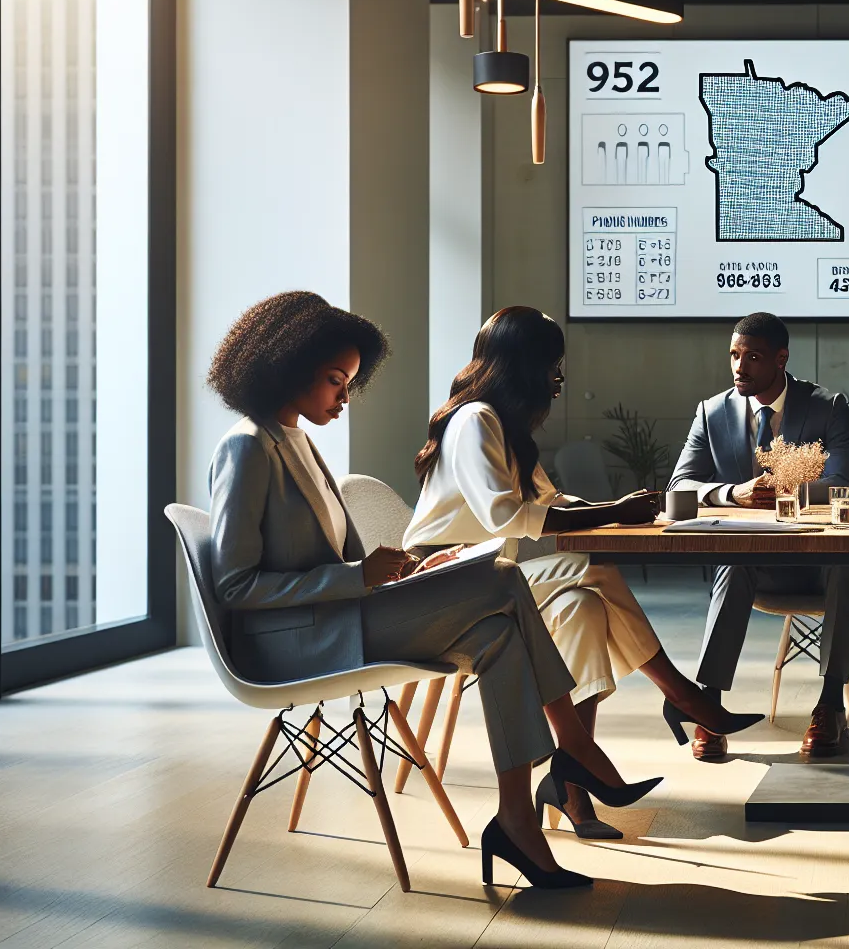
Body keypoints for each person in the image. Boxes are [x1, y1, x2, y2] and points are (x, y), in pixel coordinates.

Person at [204, 292, 612, 889]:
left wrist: (405, 573)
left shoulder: (298, 440)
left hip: (338, 617)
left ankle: (518, 819)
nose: (346, 397)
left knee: (498, 632)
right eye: (335, 380)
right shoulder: (246, 447)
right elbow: (235, 587)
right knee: (502, 576)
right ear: (285, 365)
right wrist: (357, 577)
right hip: (292, 644)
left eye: (350, 382)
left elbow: (327, 558)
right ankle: (572, 746)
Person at [404, 306, 762, 831]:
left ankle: (572, 783)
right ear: (524, 366)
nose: (559, 380)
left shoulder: (502, 425)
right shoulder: (475, 420)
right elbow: (504, 515)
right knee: (584, 563)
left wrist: (628, 506)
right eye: (553, 366)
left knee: (583, 607)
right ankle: (680, 695)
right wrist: (614, 514)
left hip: (489, 574)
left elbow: (552, 500)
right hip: (443, 582)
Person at [667, 312, 849, 760]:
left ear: (781, 358)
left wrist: (787, 491)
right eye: (734, 355)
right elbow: (680, 485)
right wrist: (734, 492)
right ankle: (709, 704)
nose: (740, 366)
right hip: (754, 559)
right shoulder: (712, 412)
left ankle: (830, 704)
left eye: (752, 357)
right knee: (733, 562)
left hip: (816, 558)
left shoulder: (828, 407)